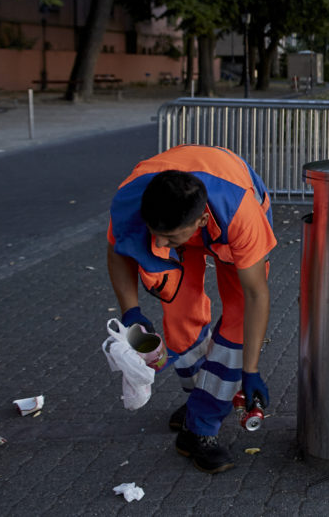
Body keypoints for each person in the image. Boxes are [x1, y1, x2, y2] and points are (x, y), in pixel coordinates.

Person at [106, 144, 275, 474]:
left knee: (238, 321)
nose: (163, 245)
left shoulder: (241, 214)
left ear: (199, 221)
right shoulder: (131, 203)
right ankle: (203, 398)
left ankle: (200, 429)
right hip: (181, 209)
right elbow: (117, 253)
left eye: (169, 238)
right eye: (157, 237)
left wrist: (250, 370)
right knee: (180, 318)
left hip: (229, 210)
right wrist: (131, 312)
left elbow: (256, 296)